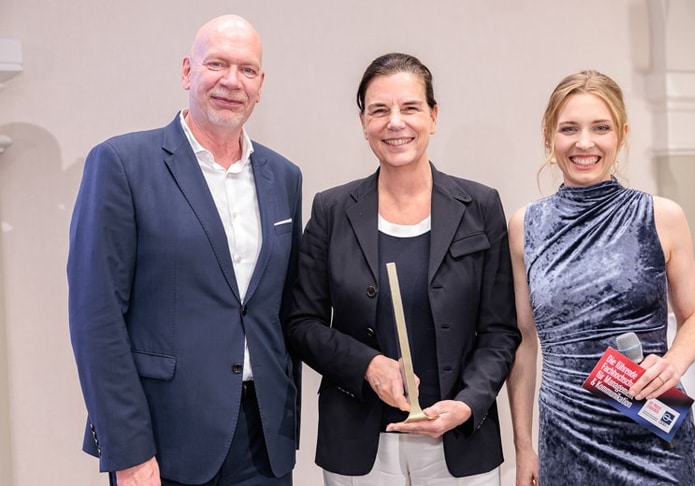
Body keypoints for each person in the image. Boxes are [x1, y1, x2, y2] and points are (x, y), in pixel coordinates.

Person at [67, 14, 302, 486]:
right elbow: (97, 318)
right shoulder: (122, 163)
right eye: (216, 63)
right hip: (164, 442)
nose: (231, 81)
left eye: (247, 70)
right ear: (186, 71)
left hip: (263, 441)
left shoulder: (284, 176)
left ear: (261, 84)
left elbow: (278, 308)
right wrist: (128, 450)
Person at [285, 52, 521, 485]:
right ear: (363, 122)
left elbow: (500, 331)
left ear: (433, 116)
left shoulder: (481, 206)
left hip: (461, 442)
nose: (395, 122)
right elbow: (302, 323)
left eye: (410, 107)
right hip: (359, 445)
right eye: (379, 110)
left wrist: (468, 404)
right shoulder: (332, 210)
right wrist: (368, 365)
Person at [506, 69, 695, 485]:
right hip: (567, 437)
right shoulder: (524, 225)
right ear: (549, 136)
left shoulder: (661, 216)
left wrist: (673, 363)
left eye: (600, 127)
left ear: (621, 134)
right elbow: (524, 342)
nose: (585, 143)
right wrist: (524, 446)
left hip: (651, 432)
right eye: (569, 129)